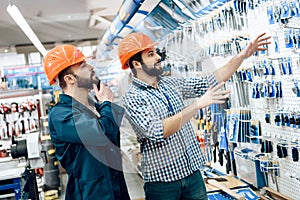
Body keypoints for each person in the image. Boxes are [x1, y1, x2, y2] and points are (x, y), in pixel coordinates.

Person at [118, 32, 270, 200]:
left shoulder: (170, 83)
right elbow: (157, 131)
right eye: (151, 54)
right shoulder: (132, 98)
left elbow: (209, 81)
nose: (158, 57)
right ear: (137, 64)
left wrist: (243, 55)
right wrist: (197, 104)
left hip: (192, 174)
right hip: (163, 183)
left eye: (155, 52)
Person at [43, 44, 130, 200]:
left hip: (116, 189)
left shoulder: (94, 106)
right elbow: (102, 133)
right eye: (83, 65)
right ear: (69, 79)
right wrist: (107, 103)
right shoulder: (61, 115)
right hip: (90, 194)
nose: (91, 67)